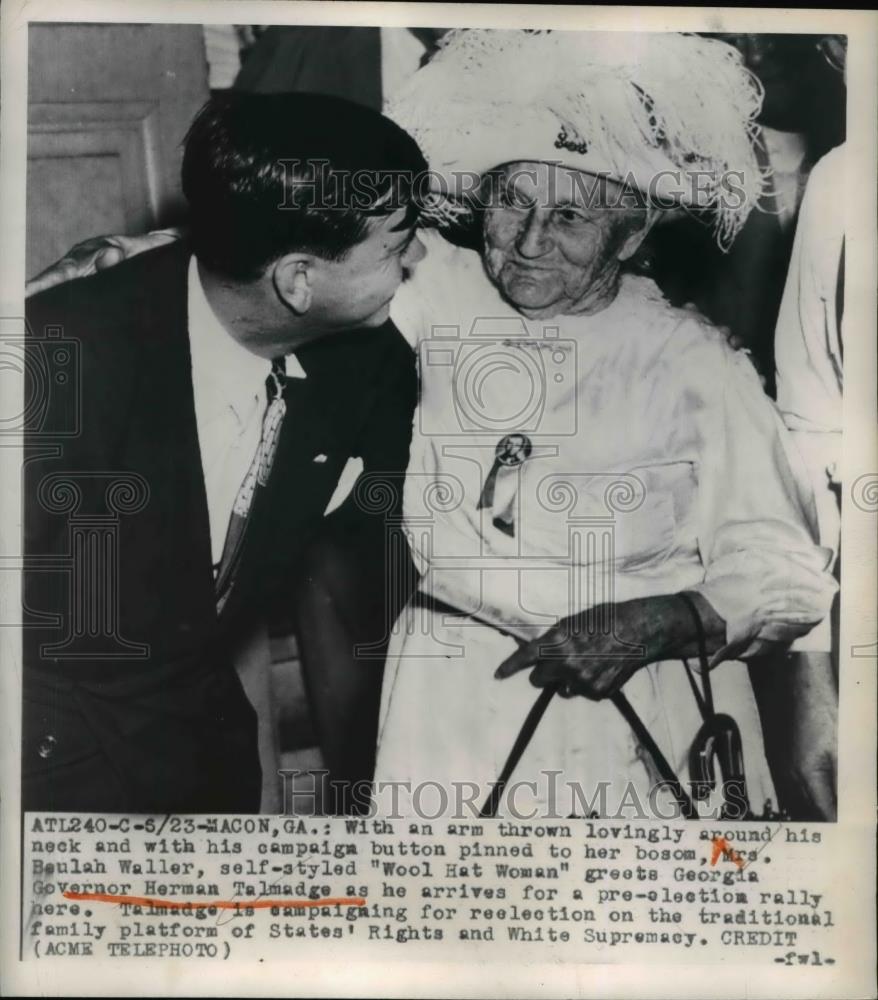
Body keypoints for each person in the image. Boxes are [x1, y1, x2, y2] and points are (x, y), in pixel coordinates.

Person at [369, 29, 838, 818]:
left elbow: (786, 569)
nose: (527, 242)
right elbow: (304, 247)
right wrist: (127, 254)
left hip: (638, 705)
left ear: (630, 234)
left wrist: (666, 618)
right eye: (512, 201)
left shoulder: (688, 362)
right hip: (451, 698)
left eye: (570, 218)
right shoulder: (436, 296)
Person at [23, 91, 425, 813]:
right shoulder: (61, 360)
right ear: (298, 280)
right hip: (44, 763)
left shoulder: (366, 362)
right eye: (397, 246)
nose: (418, 257)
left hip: (204, 755)